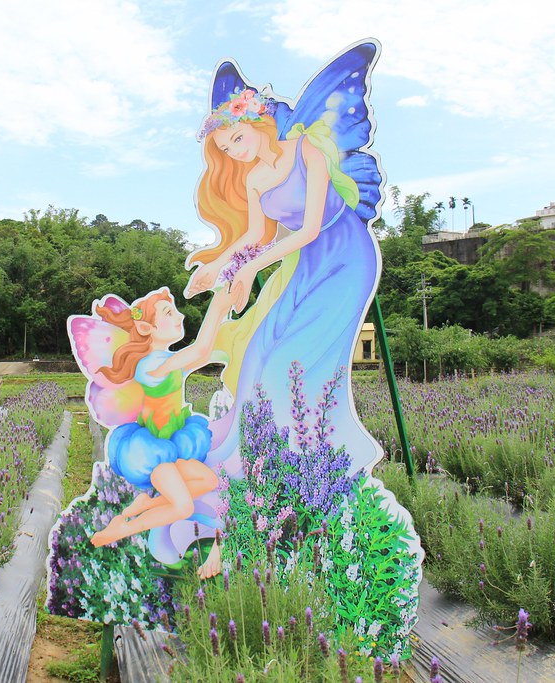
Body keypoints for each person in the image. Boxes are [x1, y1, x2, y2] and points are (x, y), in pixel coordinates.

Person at [185, 70, 383, 477]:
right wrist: (216, 266)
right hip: (308, 262)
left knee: (287, 364)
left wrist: (249, 269)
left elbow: (309, 229)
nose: (235, 151)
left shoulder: (307, 149)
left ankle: (313, 462)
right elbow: (256, 235)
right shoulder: (255, 179)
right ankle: (245, 458)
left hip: (346, 254)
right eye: (226, 148)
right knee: (257, 355)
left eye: (237, 138)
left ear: (257, 124)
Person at [69, 286, 233, 578]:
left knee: (208, 480)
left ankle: (147, 503)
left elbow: (203, 354)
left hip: (173, 441)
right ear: (147, 329)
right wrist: (218, 306)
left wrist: (224, 315)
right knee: (182, 506)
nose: (179, 316)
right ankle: (122, 528)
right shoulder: (150, 366)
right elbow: (200, 350)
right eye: (169, 313)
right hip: (154, 450)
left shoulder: (168, 361)